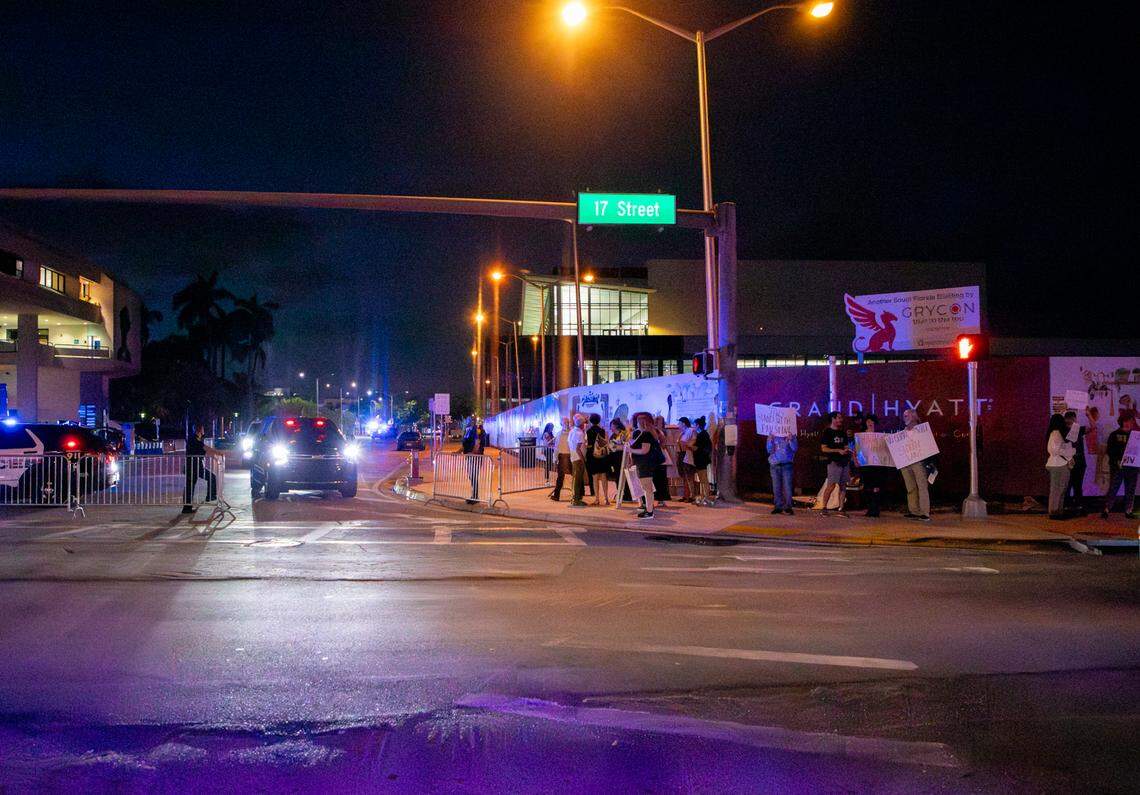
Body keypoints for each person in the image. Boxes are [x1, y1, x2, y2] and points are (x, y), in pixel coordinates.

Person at [898, 408, 933, 522]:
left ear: (913, 416)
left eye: (907, 415)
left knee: (922, 486)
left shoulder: (922, 430)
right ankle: (914, 510)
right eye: (904, 415)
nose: (904, 417)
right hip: (906, 462)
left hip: (918, 461)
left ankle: (925, 512)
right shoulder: (902, 432)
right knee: (910, 487)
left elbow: (928, 446)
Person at [1101, 412, 1137, 519]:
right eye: (1126, 421)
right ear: (1121, 422)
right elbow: (1110, 450)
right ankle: (1106, 509)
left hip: (1132, 466)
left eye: (1130, 421)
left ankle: (1128, 510)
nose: (1128, 424)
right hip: (1118, 467)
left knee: (1130, 489)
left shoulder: (1135, 436)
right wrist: (1117, 461)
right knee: (1113, 488)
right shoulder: (1114, 434)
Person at [628, 414, 663, 519]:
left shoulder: (646, 434)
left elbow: (645, 450)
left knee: (647, 488)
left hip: (645, 464)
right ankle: (648, 509)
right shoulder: (648, 433)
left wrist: (631, 450)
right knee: (647, 488)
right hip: (645, 464)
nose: (636, 424)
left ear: (642, 423)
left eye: (638, 422)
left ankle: (649, 511)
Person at [817, 412, 851, 517]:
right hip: (833, 462)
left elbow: (845, 446)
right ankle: (824, 508)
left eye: (841, 418)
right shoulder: (827, 432)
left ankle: (841, 509)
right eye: (839, 418)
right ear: (833, 419)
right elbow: (824, 448)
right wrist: (837, 451)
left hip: (844, 462)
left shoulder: (842, 433)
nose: (841, 420)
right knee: (831, 485)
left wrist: (847, 450)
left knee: (843, 486)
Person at [858, 414, 891, 518]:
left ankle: (875, 510)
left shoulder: (880, 435)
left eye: (871, 421)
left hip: (878, 464)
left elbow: (885, 450)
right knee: (868, 487)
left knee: (877, 487)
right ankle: (870, 509)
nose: (869, 423)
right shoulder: (862, 435)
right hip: (867, 464)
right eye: (868, 421)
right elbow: (859, 450)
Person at [1045, 412, 1075, 520]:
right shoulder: (1057, 433)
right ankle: (1055, 511)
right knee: (1059, 489)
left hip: (1056, 464)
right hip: (1059, 464)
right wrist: (1071, 452)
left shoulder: (1052, 433)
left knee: (1057, 489)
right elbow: (1057, 449)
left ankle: (1056, 510)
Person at [183, 424, 217, 513]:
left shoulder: (197, 439)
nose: (204, 430)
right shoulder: (193, 439)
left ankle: (187, 508)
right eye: (202, 429)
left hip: (196, 466)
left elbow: (204, 449)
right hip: (192, 466)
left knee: (190, 487)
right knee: (190, 487)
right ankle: (210, 497)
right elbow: (205, 448)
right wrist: (218, 453)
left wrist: (215, 454)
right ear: (200, 430)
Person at [1063, 410, 1088, 515]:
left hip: (1080, 461)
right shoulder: (1062, 430)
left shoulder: (1078, 429)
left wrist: (1089, 414)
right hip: (1068, 460)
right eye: (1069, 420)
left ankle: (1079, 505)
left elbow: (1093, 427)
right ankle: (1066, 506)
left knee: (1078, 485)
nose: (1071, 422)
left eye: (1073, 420)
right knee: (1067, 484)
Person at [766, 431, 797, 515]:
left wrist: (791, 440)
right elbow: (769, 450)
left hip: (787, 464)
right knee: (776, 487)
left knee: (787, 487)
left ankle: (788, 507)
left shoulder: (791, 434)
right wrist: (770, 441)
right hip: (774, 464)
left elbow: (795, 448)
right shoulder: (772, 434)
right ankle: (778, 507)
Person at [585, 413, 610, 506]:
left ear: (591, 421)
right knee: (604, 477)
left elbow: (586, 444)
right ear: (599, 420)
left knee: (595, 478)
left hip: (593, 457)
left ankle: (597, 499)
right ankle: (606, 498)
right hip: (602, 457)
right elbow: (606, 443)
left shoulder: (588, 431)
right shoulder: (603, 431)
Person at [549, 417, 572, 501]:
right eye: (566, 422)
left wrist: (555, 458)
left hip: (563, 456)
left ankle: (557, 495)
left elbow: (556, 447)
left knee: (560, 477)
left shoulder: (559, 434)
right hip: (570, 456)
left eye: (567, 422)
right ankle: (577, 494)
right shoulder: (571, 432)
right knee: (574, 476)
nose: (566, 424)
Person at [607, 417, 630, 501]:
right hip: (614, 458)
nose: (611, 428)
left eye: (612, 426)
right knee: (617, 476)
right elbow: (611, 446)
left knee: (624, 476)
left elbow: (625, 446)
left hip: (621, 457)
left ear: (616, 425)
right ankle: (620, 493)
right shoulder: (613, 435)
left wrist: (615, 447)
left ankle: (626, 494)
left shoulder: (623, 434)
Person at [651, 414, 671, 509]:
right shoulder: (654, 431)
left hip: (660, 458)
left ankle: (661, 499)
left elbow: (663, 444)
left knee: (661, 479)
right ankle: (657, 499)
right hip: (656, 458)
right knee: (657, 479)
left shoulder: (661, 432)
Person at [567, 414, 587, 507]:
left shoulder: (572, 431)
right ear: (582, 424)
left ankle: (576, 498)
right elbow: (578, 448)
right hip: (578, 459)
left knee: (576, 479)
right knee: (577, 479)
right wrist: (583, 459)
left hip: (573, 457)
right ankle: (575, 500)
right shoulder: (580, 433)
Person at [693, 416, 713, 506]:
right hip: (703, 459)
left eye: (694, 425)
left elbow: (697, 447)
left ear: (698, 425)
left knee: (703, 479)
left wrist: (688, 446)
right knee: (703, 479)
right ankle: (703, 497)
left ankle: (706, 497)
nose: (693, 426)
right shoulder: (705, 434)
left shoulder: (701, 435)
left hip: (701, 459)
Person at [676, 417, 697, 502]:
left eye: (679, 423)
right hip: (681, 454)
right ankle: (686, 495)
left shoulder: (691, 430)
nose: (678, 425)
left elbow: (693, 441)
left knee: (689, 476)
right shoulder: (683, 433)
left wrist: (687, 445)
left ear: (684, 423)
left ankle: (692, 496)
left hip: (687, 455)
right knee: (684, 476)